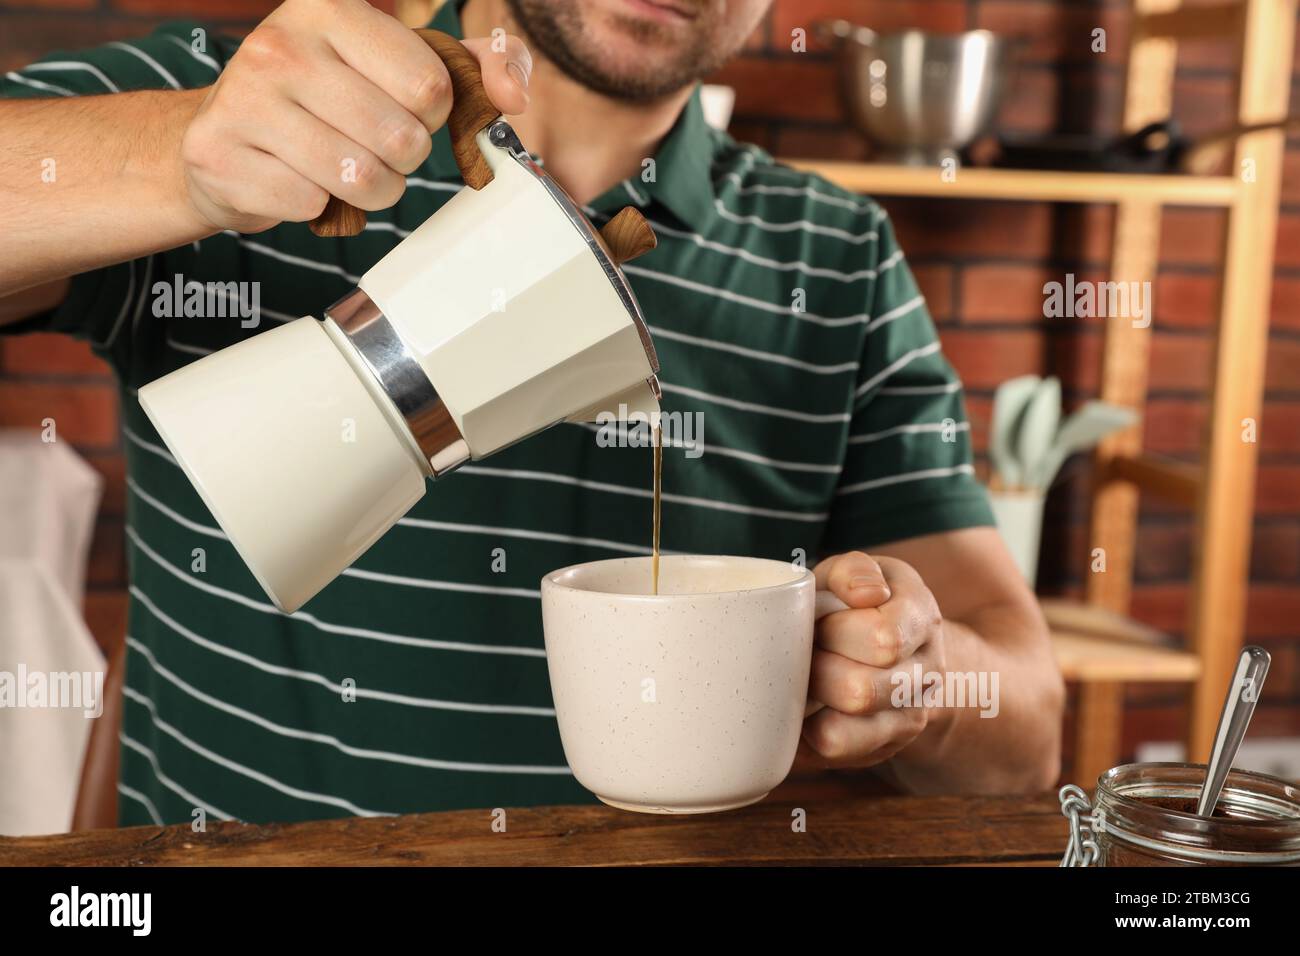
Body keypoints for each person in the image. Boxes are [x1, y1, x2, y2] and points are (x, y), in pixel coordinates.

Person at [0, 0, 1063, 825]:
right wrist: (184, 155)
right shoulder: (251, 104)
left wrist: (921, 675)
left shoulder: (833, 256)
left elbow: (1028, 737)